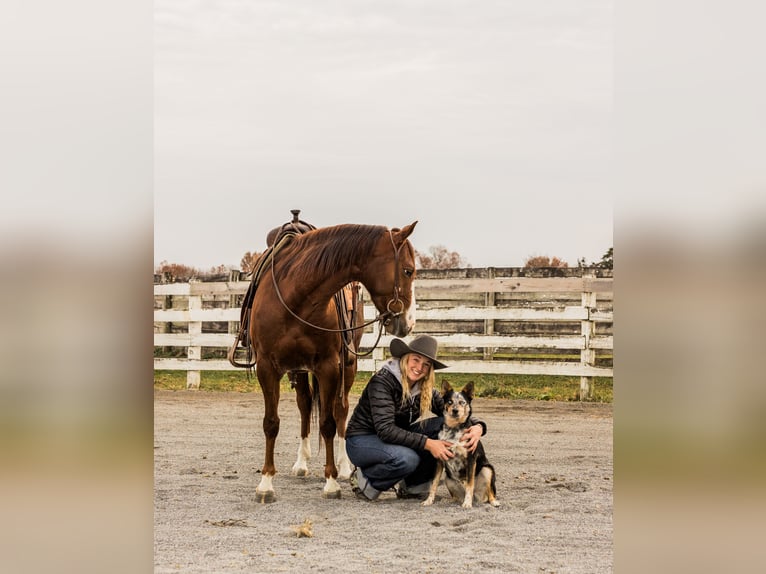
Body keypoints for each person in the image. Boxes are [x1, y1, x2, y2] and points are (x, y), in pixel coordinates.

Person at [345, 334, 487, 501]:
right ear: (405, 358)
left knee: (444, 424)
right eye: (416, 359)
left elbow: (451, 412)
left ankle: (413, 486)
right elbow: (385, 430)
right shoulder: (383, 382)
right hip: (362, 439)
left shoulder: (424, 388)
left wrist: (479, 427)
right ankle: (365, 480)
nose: (419, 367)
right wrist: (428, 443)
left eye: (426, 364)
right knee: (407, 459)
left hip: (393, 436)